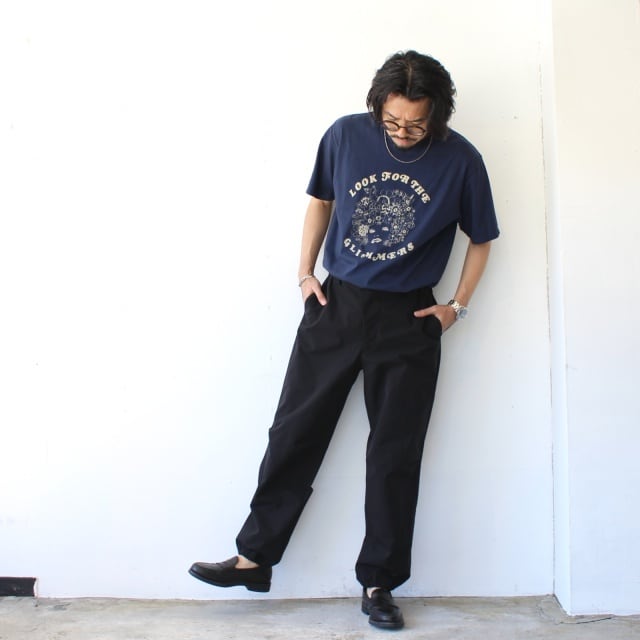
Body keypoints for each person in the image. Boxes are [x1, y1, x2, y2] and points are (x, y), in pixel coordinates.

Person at [189, 50, 499, 630]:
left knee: (394, 454)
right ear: (377, 106)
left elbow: (482, 237)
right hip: (337, 305)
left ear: (438, 114)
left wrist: (455, 308)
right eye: (392, 121)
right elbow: (321, 202)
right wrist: (305, 274)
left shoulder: (462, 161)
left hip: (409, 317)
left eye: (416, 125)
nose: (402, 133)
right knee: (294, 431)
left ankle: (379, 583)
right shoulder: (345, 135)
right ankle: (254, 558)